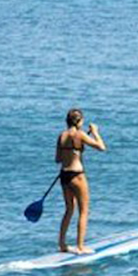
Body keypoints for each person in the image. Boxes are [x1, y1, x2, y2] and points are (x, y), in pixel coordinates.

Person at [55, 108, 107, 254]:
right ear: (79, 121)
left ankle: (62, 245)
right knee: (83, 211)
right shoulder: (80, 134)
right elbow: (101, 147)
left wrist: (72, 151)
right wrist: (95, 132)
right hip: (77, 175)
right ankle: (80, 247)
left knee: (69, 210)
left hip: (64, 175)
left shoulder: (61, 136)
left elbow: (58, 159)